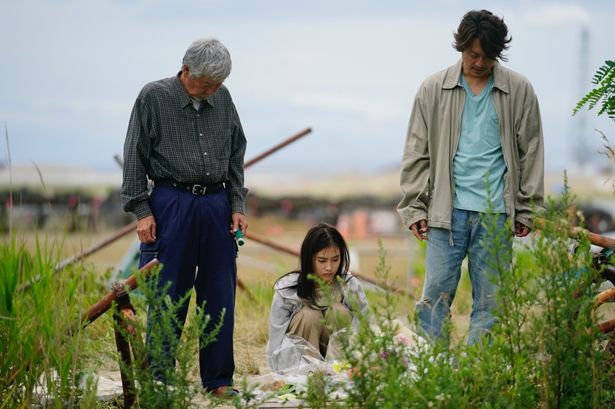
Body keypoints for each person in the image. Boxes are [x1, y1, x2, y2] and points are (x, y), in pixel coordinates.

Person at [397, 10, 544, 344]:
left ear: (498, 54)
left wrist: (527, 208)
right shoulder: (433, 89)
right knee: (434, 298)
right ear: (460, 47)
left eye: (487, 57)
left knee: (491, 304)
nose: (479, 62)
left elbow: (531, 152)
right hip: (445, 213)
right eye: (473, 54)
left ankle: (482, 376)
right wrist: (414, 207)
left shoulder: (519, 90)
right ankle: (431, 373)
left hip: (495, 215)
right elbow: (416, 152)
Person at [121, 38, 248, 396]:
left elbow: (237, 153)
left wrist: (237, 203)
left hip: (216, 204)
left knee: (220, 293)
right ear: (186, 70)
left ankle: (219, 381)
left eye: (218, 85)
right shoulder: (153, 97)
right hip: (171, 202)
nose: (212, 91)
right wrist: (141, 210)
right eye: (206, 84)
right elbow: (134, 155)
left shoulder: (222, 98)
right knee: (168, 293)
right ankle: (160, 379)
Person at [267, 223, 368, 372]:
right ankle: (309, 373)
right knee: (309, 315)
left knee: (338, 312)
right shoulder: (287, 289)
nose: (329, 267)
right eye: (322, 260)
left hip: (340, 359)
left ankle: (339, 371)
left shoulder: (349, 285)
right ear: (309, 259)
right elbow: (276, 336)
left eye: (335, 260)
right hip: (298, 363)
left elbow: (363, 325)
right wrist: (279, 370)